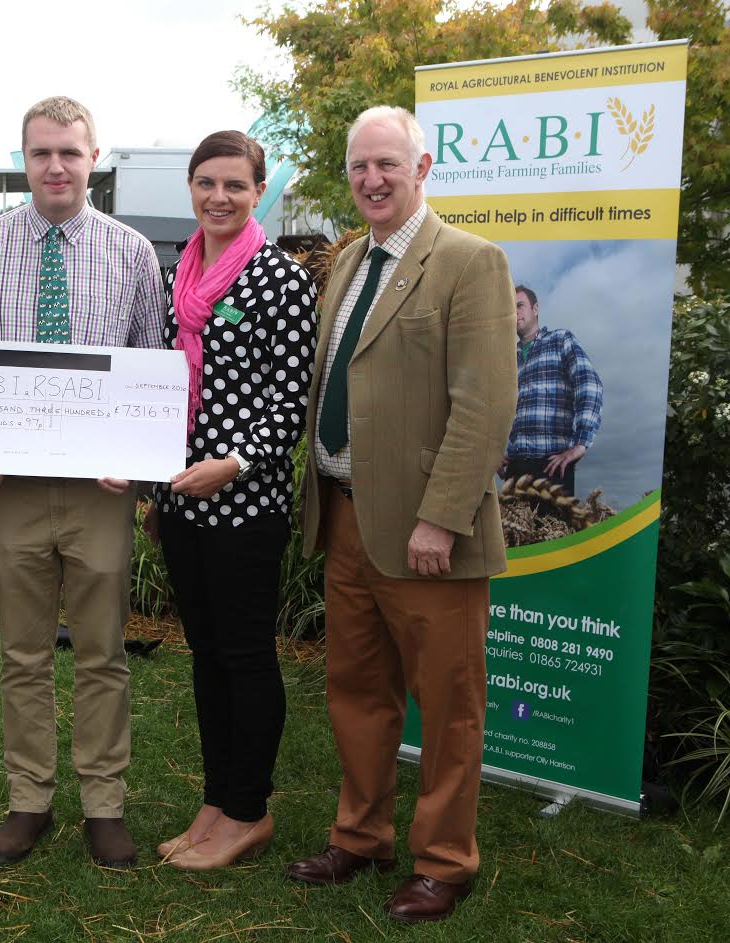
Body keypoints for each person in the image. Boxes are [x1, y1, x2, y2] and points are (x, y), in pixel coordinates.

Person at [290, 105, 515, 923]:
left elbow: (484, 404)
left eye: (387, 164)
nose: (372, 180)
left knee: (449, 703)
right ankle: (360, 835)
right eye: (359, 167)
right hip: (346, 519)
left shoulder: (468, 262)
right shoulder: (350, 262)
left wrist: (442, 517)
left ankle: (446, 862)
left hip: (428, 534)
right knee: (357, 689)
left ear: (422, 170)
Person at [0, 96, 164, 868]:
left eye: (70, 152)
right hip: (10, 490)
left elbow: (151, 368)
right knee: (23, 652)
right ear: (24, 158)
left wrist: (135, 456)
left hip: (100, 490)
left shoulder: (133, 253)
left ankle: (104, 802)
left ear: (93, 157)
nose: (56, 167)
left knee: (102, 652)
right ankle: (28, 798)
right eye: (41, 153)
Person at [144, 131, 315, 871]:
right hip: (182, 504)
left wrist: (233, 463)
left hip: (245, 505)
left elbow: (289, 401)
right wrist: (155, 481)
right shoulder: (176, 274)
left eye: (235, 186)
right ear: (190, 187)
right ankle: (216, 799)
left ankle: (249, 810)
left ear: (258, 192)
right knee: (205, 654)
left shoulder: (280, 280)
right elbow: (154, 385)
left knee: (245, 656)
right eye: (206, 183)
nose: (219, 197)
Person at [500, 284, 603, 496]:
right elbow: (494, 408)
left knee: (553, 529)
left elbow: (589, 384)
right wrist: (493, 453)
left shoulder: (560, 341)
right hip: (515, 467)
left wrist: (581, 444)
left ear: (535, 309)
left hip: (552, 465)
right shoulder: (507, 359)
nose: (515, 312)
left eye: (519, 305)